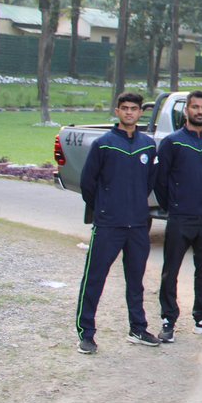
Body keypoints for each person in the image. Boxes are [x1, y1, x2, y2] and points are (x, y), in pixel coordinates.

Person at [75, 92, 159, 354]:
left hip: (137, 225)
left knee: (136, 280)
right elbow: (88, 184)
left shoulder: (148, 145)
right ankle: (86, 334)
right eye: (124, 108)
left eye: (134, 109)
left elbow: (150, 182)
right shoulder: (104, 144)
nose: (129, 113)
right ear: (117, 111)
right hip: (108, 225)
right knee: (95, 278)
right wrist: (105, 208)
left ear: (140, 113)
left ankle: (138, 328)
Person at [154, 91, 202, 343]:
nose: (200, 111)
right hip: (180, 217)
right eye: (195, 107)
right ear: (186, 111)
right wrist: (173, 206)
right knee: (171, 270)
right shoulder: (172, 142)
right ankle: (168, 319)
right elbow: (160, 181)